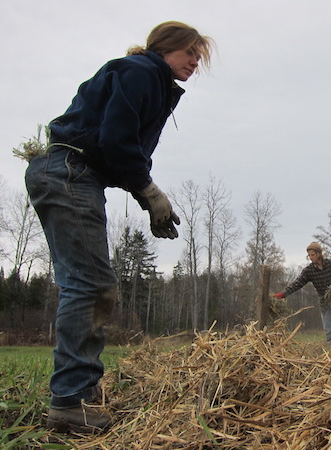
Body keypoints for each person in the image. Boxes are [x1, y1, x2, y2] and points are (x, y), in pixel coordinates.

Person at [25, 21, 213, 433]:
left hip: (70, 173)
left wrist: (147, 196)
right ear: (166, 49)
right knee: (89, 285)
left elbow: (116, 146)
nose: (195, 63)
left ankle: (83, 392)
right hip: (70, 172)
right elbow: (115, 139)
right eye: (190, 54)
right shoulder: (142, 72)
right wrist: (149, 190)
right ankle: (70, 400)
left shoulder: (146, 78)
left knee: (87, 283)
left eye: (199, 57)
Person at [275, 242, 331, 346]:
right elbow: (297, 284)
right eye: (309, 255)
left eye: (312, 255)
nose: (311, 258)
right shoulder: (309, 271)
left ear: (319, 254)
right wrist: (283, 294)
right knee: (329, 329)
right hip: (325, 301)